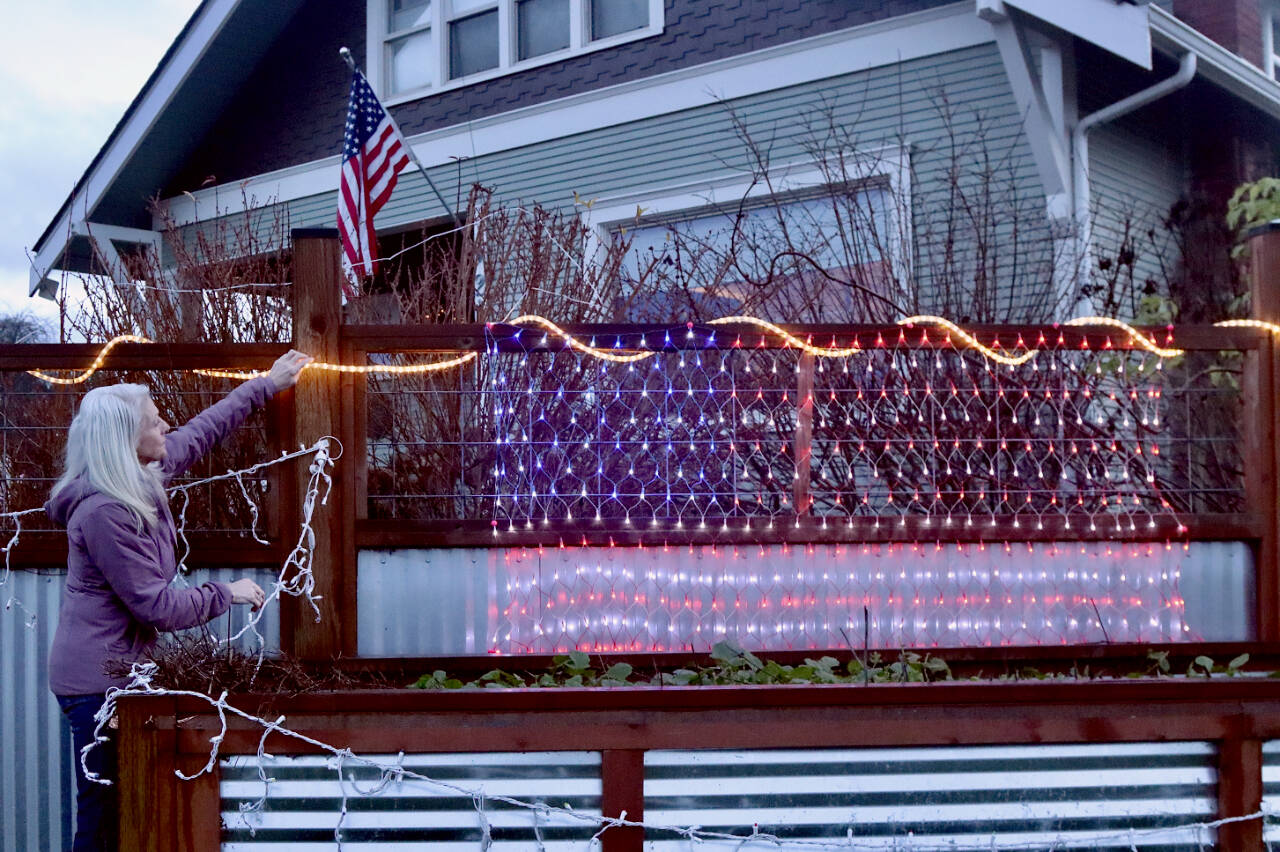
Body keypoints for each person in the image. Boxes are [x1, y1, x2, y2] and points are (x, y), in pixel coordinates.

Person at [45, 349, 312, 852]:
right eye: (153, 421)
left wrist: (266, 384)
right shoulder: (105, 512)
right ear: (125, 439)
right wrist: (224, 592)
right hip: (96, 684)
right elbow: (157, 608)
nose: (165, 424)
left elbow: (202, 429)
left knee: (128, 808)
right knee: (104, 814)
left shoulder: (141, 478)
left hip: (121, 676)